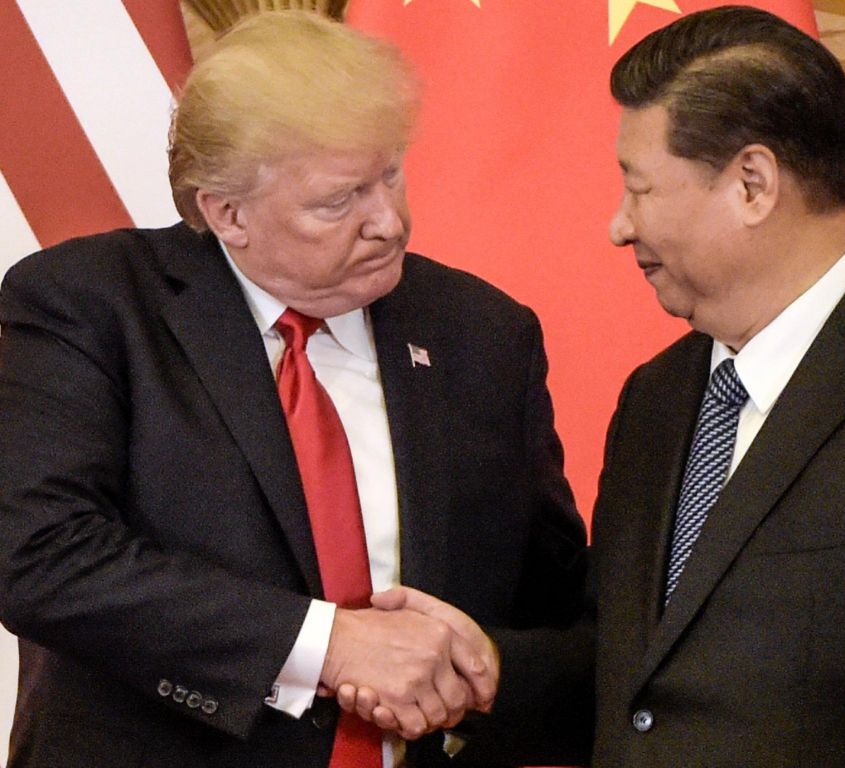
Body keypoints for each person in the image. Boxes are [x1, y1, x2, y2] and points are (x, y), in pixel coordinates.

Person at [373, 6, 845, 766]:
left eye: (640, 189)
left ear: (752, 184)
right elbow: (630, 679)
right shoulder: (656, 398)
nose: (619, 226)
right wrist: (480, 671)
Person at [0, 10, 586, 768]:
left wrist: (477, 674)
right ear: (227, 213)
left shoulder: (482, 333)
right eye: (339, 201)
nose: (389, 222)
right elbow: (39, 556)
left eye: (391, 175)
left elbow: (558, 608)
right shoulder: (92, 304)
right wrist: (327, 646)